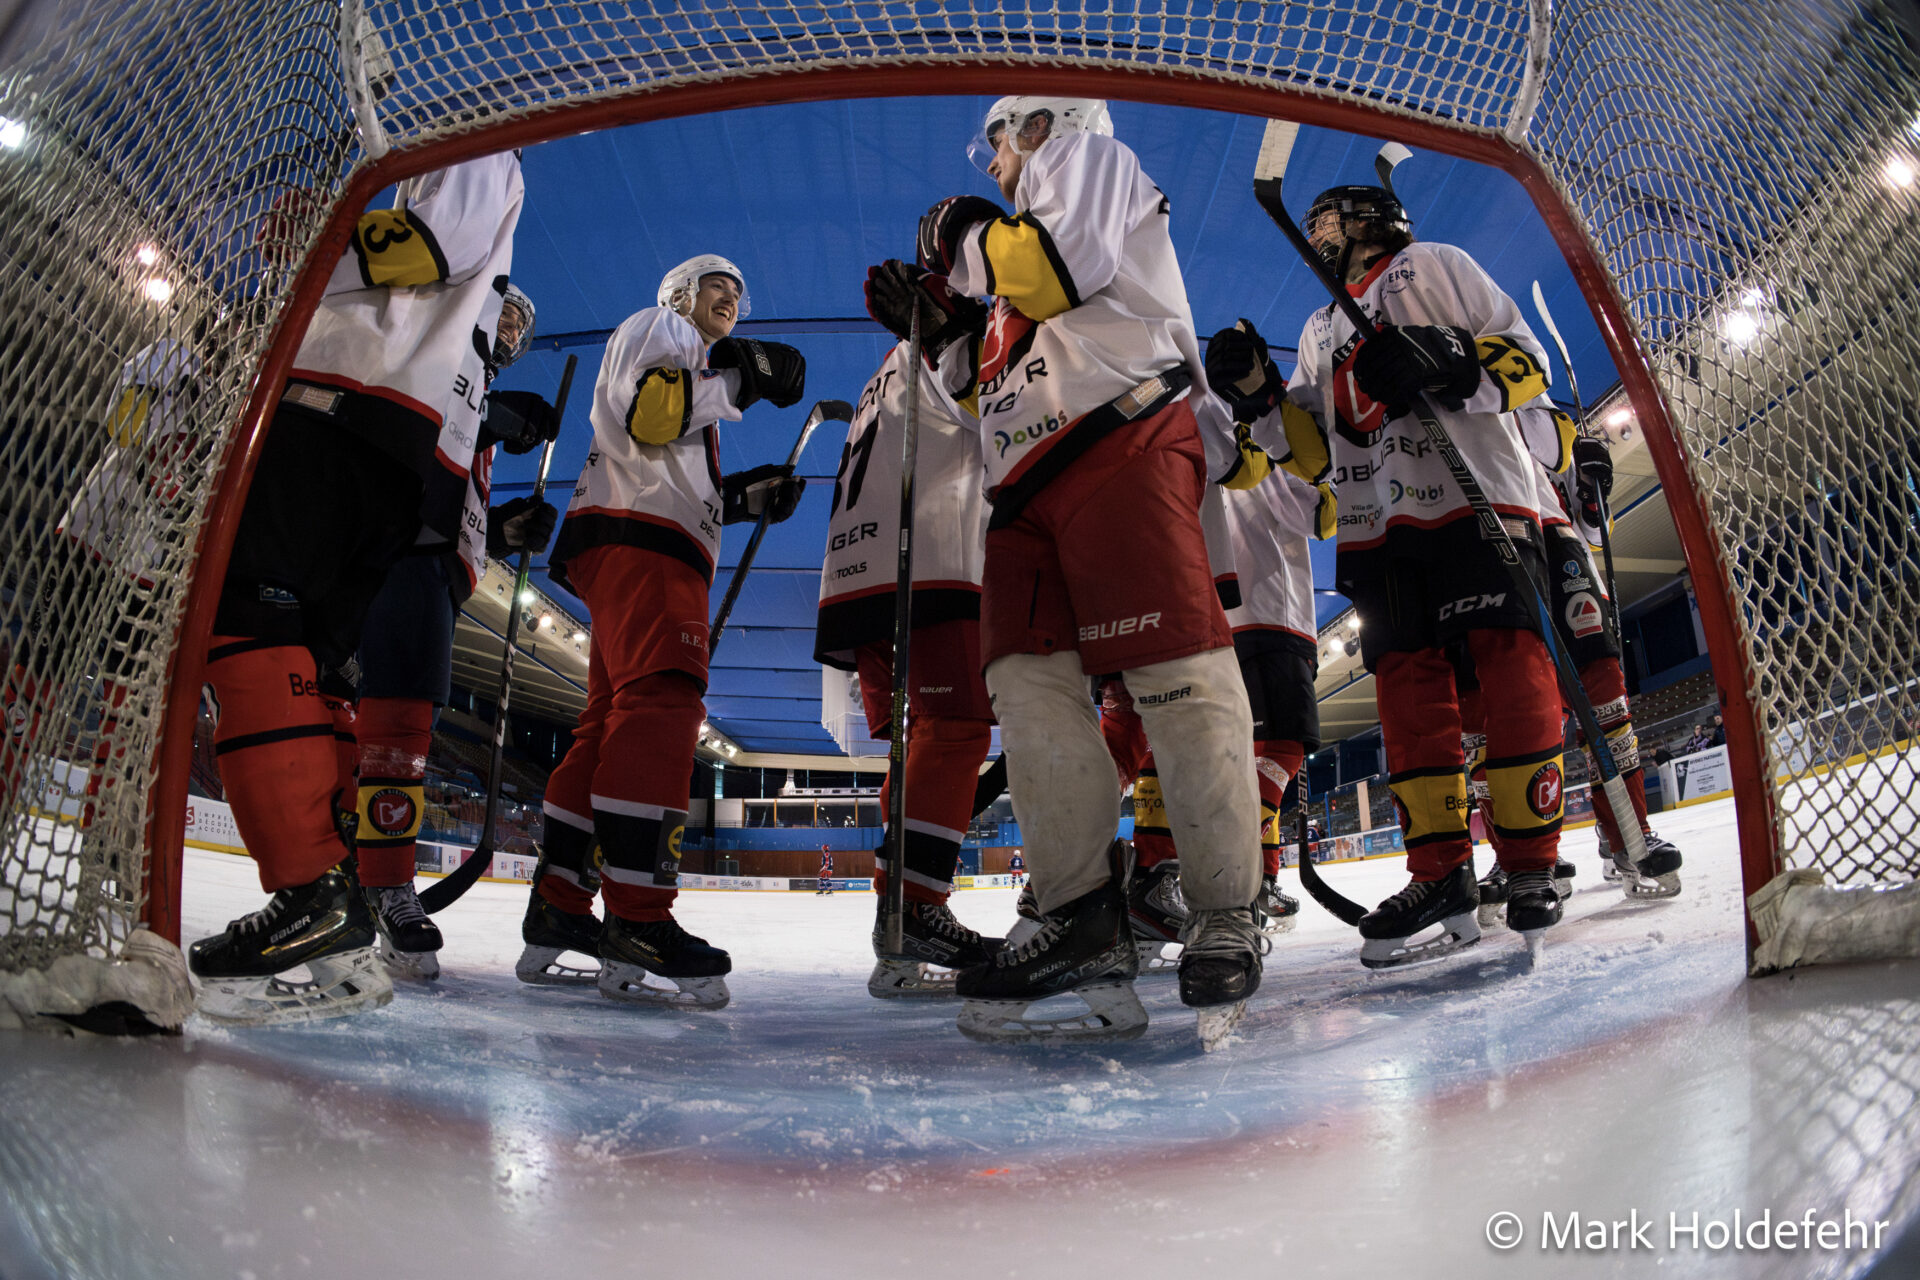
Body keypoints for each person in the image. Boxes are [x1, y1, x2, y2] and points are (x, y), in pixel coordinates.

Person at [905, 96, 1269, 1044]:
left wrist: (963, 234)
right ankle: (1078, 919)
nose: (992, 164)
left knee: (1176, 676)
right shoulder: (1011, 257)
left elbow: (1055, 272)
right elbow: (986, 381)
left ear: (1041, 125)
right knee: (1030, 701)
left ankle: (1224, 909)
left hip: (1123, 432)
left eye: (996, 142)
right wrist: (946, 331)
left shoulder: (1087, 161)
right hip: (1024, 482)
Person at [188, 151, 526, 1024]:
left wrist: (315, 237)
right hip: (392, 448)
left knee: (248, 618)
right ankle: (339, 891)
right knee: (318, 667)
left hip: (350, 410)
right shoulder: (462, 346)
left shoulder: (475, 149)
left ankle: (318, 893)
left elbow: (426, 246)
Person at [1216, 177, 1568, 966]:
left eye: (1326, 220)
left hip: (1476, 497)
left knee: (1510, 670)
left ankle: (1529, 865)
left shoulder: (1436, 263)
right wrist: (1261, 397)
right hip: (1377, 520)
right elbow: (1313, 454)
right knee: (1408, 692)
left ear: (1370, 221)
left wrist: (1451, 360)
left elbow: (1527, 362)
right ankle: (1439, 872)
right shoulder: (1316, 327)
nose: (1317, 234)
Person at [521, 254, 807, 1010]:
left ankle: (559, 905)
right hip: (646, 545)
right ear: (680, 292)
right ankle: (639, 918)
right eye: (719, 285)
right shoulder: (663, 327)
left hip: (633, 536)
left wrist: (742, 498)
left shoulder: (685, 361)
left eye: (740, 293)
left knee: (606, 722)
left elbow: (660, 455)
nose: (732, 299)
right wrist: (742, 377)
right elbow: (651, 415)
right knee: (664, 705)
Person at [351, 284, 561, 979]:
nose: (510, 327)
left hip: (427, 559)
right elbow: (407, 423)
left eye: (519, 323)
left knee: (386, 719)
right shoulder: (435, 344)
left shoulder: (478, 384)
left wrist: (498, 530)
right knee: (395, 716)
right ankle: (382, 883)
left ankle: (357, 876)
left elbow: (442, 487)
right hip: (393, 549)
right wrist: (490, 420)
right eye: (503, 312)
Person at [827, 247, 1005, 996]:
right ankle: (914, 909)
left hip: (859, 570)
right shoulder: (952, 342)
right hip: (927, 557)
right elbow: (992, 405)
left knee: (924, 737)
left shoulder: (885, 369)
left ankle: (900, 917)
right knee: (956, 729)